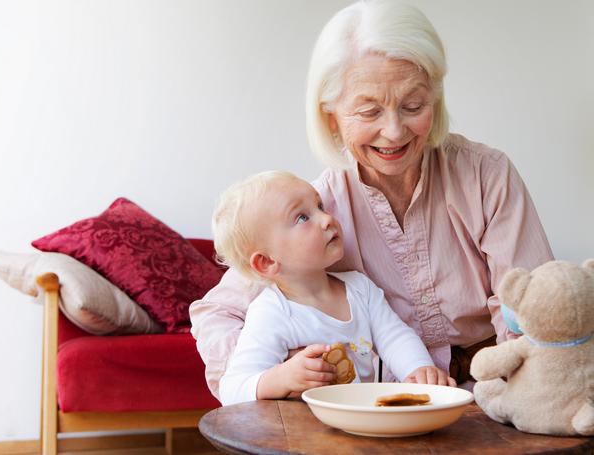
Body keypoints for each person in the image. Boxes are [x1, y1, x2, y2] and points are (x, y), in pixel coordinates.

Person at [190, 0, 553, 399]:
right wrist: (272, 379)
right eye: (368, 112)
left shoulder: (487, 175)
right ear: (332, 118)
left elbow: (533, 310)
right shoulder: (319, 210)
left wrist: (517, 395)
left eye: (413, 106)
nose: (394, 132)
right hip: (386, 406)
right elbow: (217, 311)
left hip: (494, 388)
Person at [212, 171, 455, 405]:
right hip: (305, 434)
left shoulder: (360, 288)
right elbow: (232, 389)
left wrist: (418, 370)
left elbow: (394, 337)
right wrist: (281, 378)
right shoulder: (272, 313)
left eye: (320, 207)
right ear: (267, 262)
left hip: (363, 417)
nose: (327, 219)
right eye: (302, 217)